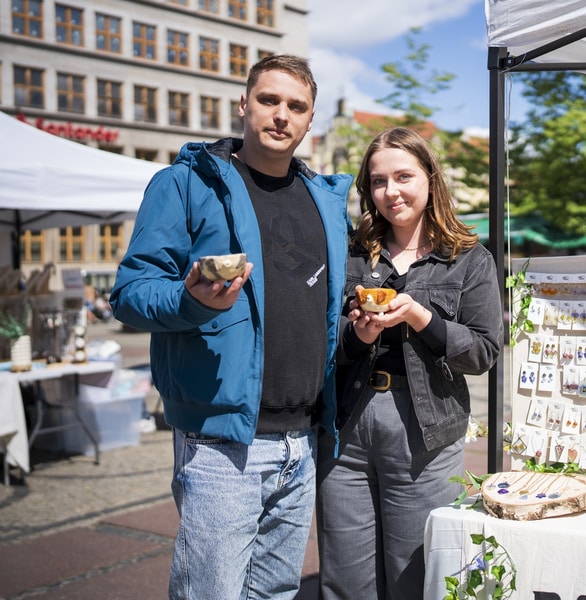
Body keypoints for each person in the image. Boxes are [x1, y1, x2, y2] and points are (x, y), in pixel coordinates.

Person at [109, 55, 353, 600]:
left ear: (310, 120)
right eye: (269, 100)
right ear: (244, 104)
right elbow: (129, 293)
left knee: (276, 592)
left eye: (296, 106)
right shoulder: (185, 184)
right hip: (221, 441)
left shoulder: (325, 199)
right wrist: (190, 300)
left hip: (303, 439)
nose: (281, 115)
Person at [316, 127, 503, 599]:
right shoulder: (350, 254)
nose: (391, 191)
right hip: (347, 422)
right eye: (378, 181)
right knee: (345, 576)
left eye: (403, 176)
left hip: (425, 430)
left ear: (430, 179)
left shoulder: (468, 259)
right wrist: (358, 335)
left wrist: (422, 318)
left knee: (414, 574)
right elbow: (321, 341)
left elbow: (483, 352)